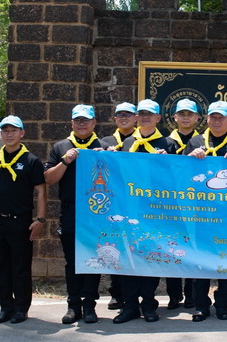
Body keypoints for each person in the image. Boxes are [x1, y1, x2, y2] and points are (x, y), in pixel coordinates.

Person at [45, 104, 107, 324]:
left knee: (93, 259)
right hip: (71, 211)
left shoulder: (104, 146)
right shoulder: (60, 146)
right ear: (71, 123)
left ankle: (89, 305)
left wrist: (108, 158)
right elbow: (49, 178)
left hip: (97, 212)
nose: (82, 124)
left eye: (86, 120)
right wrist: (65, 161)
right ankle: (73, 306)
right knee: (72, 261)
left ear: (94, 123)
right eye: (78, 120)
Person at [185, 100, 227, 322]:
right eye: (213, 117)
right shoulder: (195, 141)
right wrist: (189, 158)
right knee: (200, 260)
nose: (217, 121)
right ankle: (201, 305)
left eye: (221, 117)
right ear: (207, 119)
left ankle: (222, 304)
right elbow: (181, 173)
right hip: (201, 212)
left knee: (226, 260)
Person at [0, 115, 47, 324]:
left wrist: (40, 219)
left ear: (22, 133)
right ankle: (5, 307)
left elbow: (41, 191)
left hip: (20, 221)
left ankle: (21, 308)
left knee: (20, 267)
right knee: (0, 266)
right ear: (1, 133)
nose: (9, 135)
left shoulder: (31, 160)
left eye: (13, 131)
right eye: (5, 131)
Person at [113, 99, 167, 324]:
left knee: (151, 258)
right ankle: (130, 306)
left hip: (155, 211)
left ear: (158, 118)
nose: (145, 117)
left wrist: (166, 162)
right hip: (129, 210)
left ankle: (149, 304)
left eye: (150, 114)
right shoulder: (127, 143)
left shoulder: (168, 144)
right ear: (136, 117)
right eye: (141, 113)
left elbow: (178, 178)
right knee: (129, 257)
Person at [161, 98, 200, 310]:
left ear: (197, 118)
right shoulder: (166, 143)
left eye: (189, 114)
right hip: (172, 203)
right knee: (173, 248)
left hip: (198, 203)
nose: (185, 118)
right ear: (174, 117)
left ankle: (192, 294)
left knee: (194, 248)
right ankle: (174, 295)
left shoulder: (204, 141)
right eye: (182, 114)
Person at [99, 102, 138, 310]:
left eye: (128, 114)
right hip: (113, 203)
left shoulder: (140, 140)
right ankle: (116, 293)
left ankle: (137, 295)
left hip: (137, 202)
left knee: (137, 249)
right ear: (114, 119)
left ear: (135, 118)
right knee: (115, 247)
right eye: (120, 115)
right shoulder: (105, 141)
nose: (124, 118)